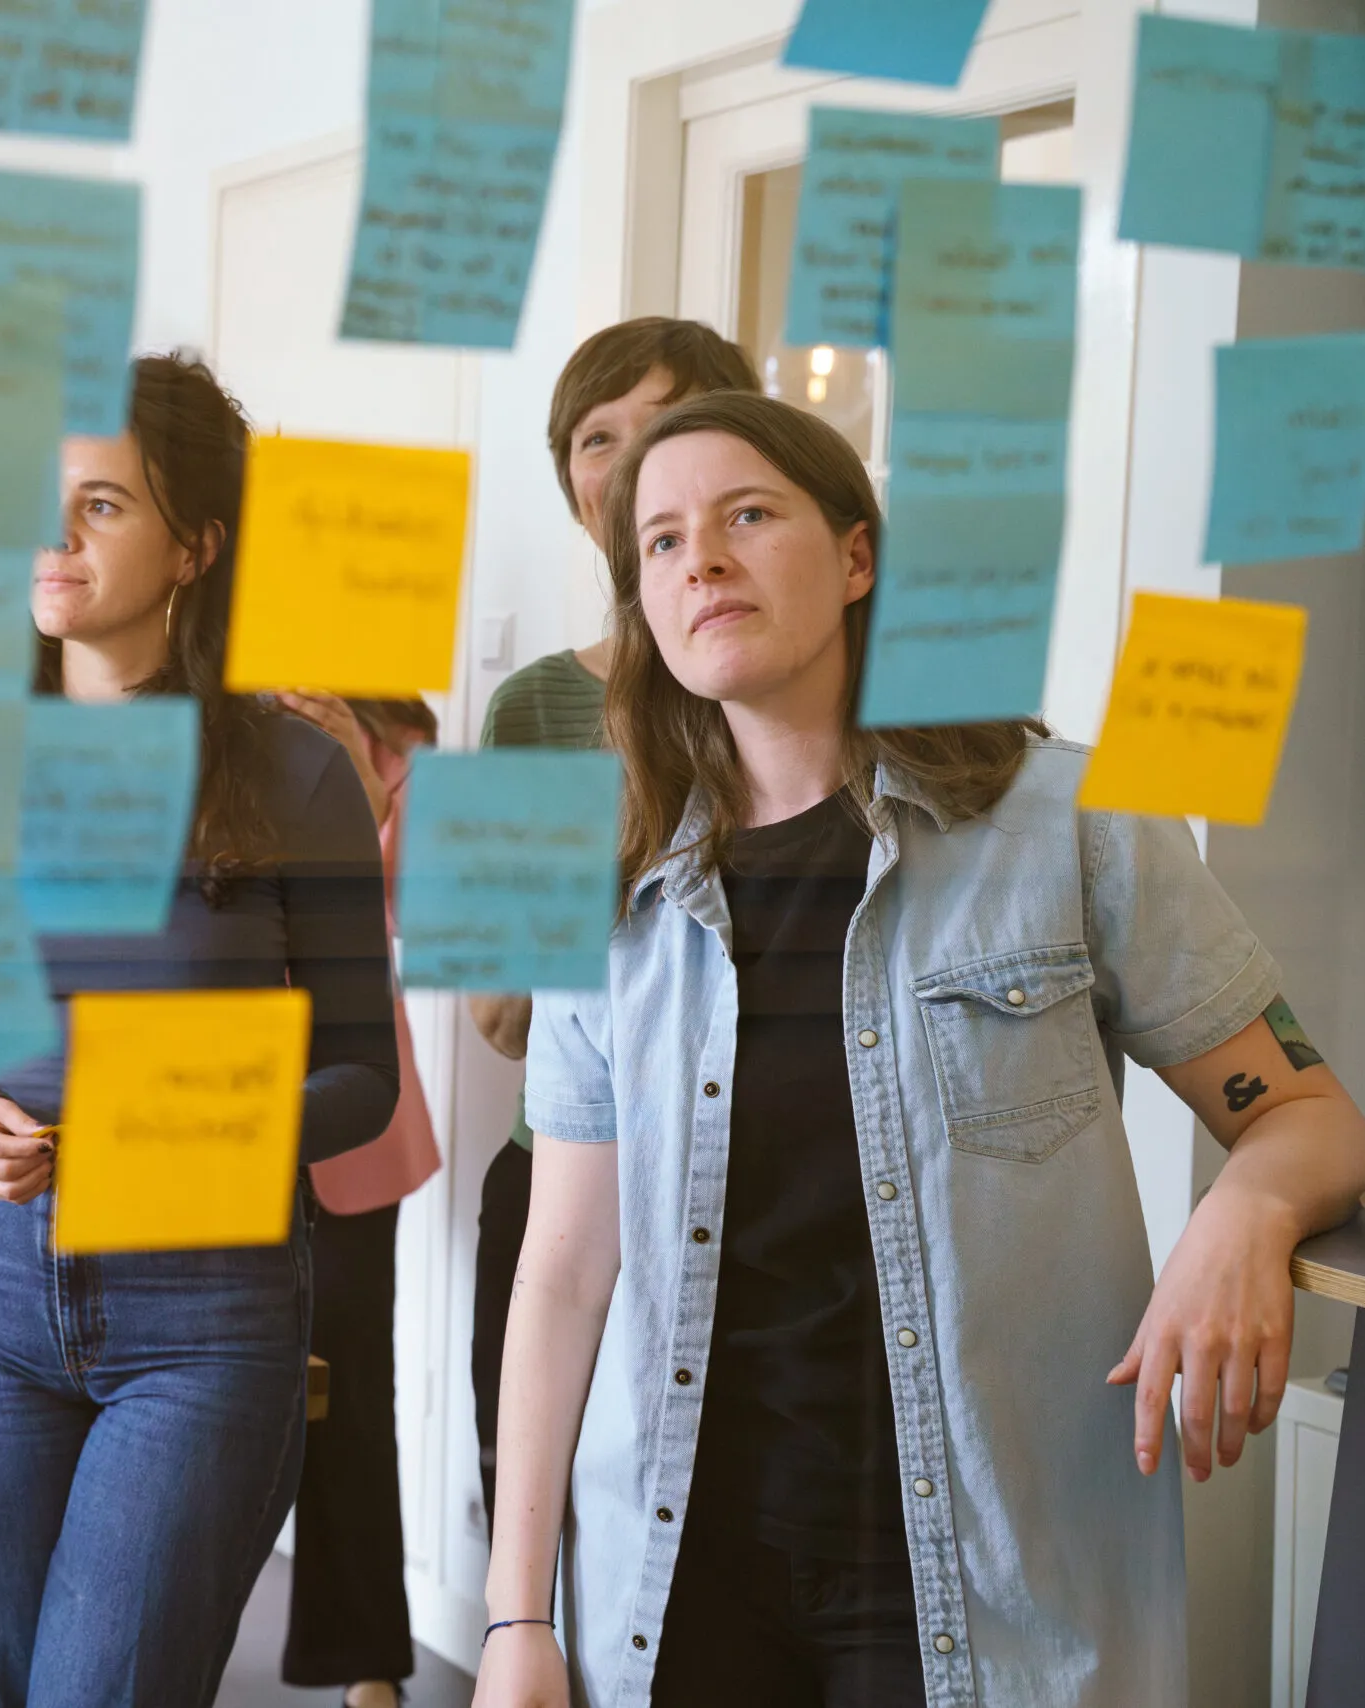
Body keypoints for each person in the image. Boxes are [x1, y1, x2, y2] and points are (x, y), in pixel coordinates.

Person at [474, 391, 1365, 1708]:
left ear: (857, 559)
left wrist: (1246, 1211)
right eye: (660, 544)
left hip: (988, 1585)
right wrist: (515, 1622)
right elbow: (562, 1270)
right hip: (679, 1581)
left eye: (746, 515)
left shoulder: (1072, 824)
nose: (702, 560)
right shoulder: (608, 893)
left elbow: (1316, 1118)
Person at [0, 357, 402, 1708]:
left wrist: (176, 1126)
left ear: (196, 545)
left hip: (206, 1314)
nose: (55, 537)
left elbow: (363, 1080)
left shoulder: (298, 772)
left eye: (102, 505)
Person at [466, 318, 758, 1527]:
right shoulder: (534, 706)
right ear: (574, 486)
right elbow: (496, 1020)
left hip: (752, 1196)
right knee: (549, 1561)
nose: (632, 455)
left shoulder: (780, 689)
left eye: (668, 418)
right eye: (597, 436)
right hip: (565, 1192)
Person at [270, 694, 442, 1708]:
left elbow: (424, 919)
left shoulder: (402, 745)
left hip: (349, 1118)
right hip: (199, 1108)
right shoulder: (203, 715)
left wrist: (365, 789)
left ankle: (365, 1657)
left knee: (351, 1390)